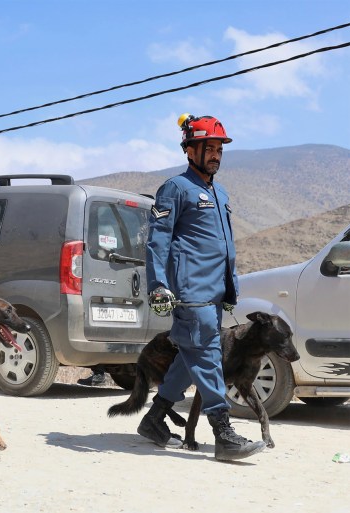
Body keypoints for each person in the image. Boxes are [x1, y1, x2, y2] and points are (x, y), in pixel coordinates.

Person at [141, 113, 266, 461]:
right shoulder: (175, 188)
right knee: (209, 354)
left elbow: (225, 245)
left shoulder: (219, 191)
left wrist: (231, 288)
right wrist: (158, 286)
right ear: (190, 151)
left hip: (214, 291)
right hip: (189, 290)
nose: (215, 155)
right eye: (208, 148)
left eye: (218, 149)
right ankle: (223, 433)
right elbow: (157, 242)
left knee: (189, 354)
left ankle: (153, 419)